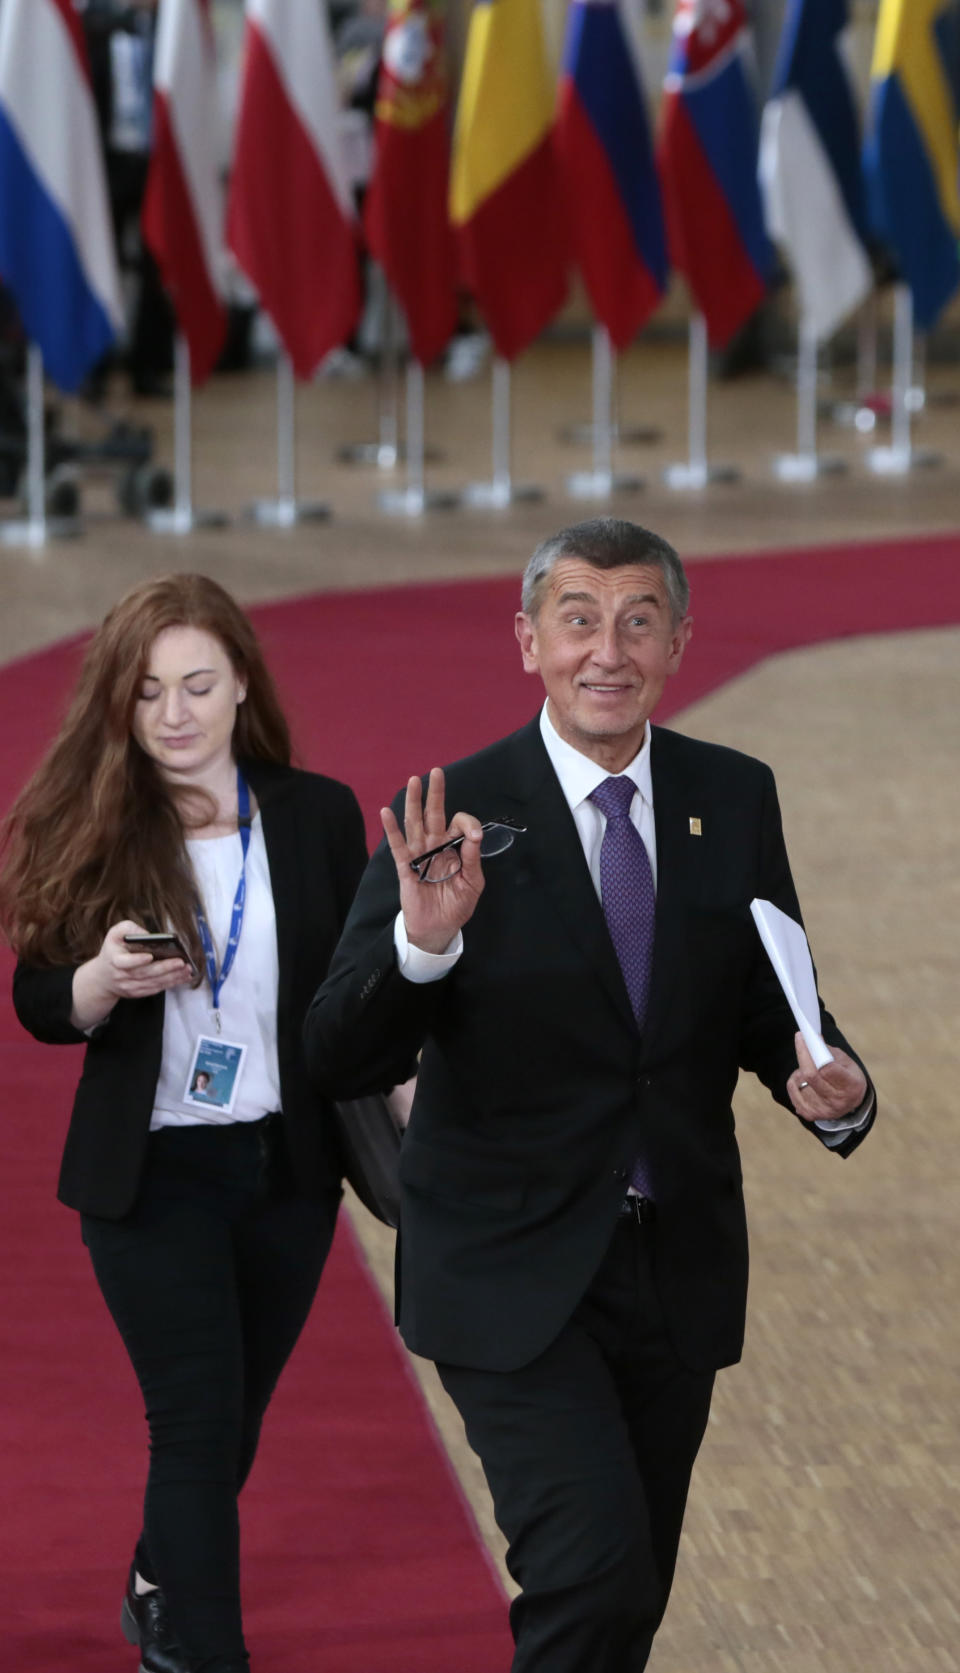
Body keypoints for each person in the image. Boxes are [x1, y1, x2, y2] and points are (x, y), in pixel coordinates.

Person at [304, 518, 875, 1673]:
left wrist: (834, 1086)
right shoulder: (452, 811)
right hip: (509, 1267)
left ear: (678, 644)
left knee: (626, 1598)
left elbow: (772, 1000)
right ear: (528, 641)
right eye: (577, 618)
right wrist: (423, 944)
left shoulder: (733, 795)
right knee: (593, 1569)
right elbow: (336, 1053)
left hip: (676, 1268)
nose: (606, 649)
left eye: (637, 620)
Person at [0, 574, 368, 1673]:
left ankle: (160, 1579)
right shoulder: (99, 820)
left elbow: (353, 994)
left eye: (197, 683)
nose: (174, 711)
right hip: (152, 1176)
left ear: (240, 683)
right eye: (149, 689)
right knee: (197, 1428)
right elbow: (37, 1002)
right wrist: (101, 983)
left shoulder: (315, 814)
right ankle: (202, 1651)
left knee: (233, 1423)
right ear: (120, 702)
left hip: (287, 1171)